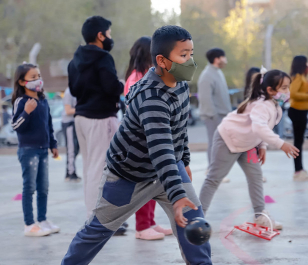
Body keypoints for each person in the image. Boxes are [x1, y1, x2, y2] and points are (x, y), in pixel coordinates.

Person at [61, 25, 212, 265]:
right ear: (162, 61)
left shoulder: (181, 85)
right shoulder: (151, 98)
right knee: (97, 231)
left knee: (194, 223)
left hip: (169, 168)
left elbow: (179, 129)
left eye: (191, 54)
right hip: (129, 177)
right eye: (183, 55)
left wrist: (183, 162)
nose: (190, 61)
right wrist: (177, 189)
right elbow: (160, 148)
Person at [199, 68, 299, 230]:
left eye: (288, 87)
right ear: (270, 90)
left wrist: (263, 146)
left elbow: (265, 128)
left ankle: (260, 216)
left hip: (248, 146)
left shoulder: (275, 107)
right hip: (228, 140)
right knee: (214, 178)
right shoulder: (262, 105)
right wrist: (281, 144)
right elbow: (259, 127)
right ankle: (196, 218)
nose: (287, 91)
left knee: (256, 176)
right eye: (284, 88)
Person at [67, 16, 126, 235]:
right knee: (100, 170)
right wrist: (121, 84)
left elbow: (73, 90)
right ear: (100, 35)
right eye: (108, 33)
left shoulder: (75, 60)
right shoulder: (103, 57)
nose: (110, 37)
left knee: (89, 168)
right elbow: (112, 87)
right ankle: (98, 221)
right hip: (100, 118)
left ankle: (96, 216)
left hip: (81, 118)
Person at [124, 36, 173, 240]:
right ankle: (142, 227)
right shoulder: (136, 77)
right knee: (144, 182)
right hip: (141, 137)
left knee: (154, 181)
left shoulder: (148, 74)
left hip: (152, 135)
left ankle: (150, 222)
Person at [11, 63, 60, 237]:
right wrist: (26, 112)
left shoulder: (43, 100)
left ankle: (42, 219)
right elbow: (16, 126)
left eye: (38, 76)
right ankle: (29, 224)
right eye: (33, 77)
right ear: (22, 82)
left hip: (43, 150)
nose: (38, 80)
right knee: (29, 187)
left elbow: (49, 125)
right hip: (28, 151)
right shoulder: (21, 102)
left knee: (43, 187)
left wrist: (53, 144)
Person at [198, 48, 232, 167]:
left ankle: (218, 172)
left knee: (220, 144)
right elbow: (205, 98)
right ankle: (212, 170)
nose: (225, 60)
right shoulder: (207, 75)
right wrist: (213, 115)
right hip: (213, 116)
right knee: (214, 143)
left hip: (222, 115)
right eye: (224, 57)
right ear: (217, 59)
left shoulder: (217, 72)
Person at [288, 55, 308, 181]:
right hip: (297, 111)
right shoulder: (297, 77)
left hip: (302, 111)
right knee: (298, 142)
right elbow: (292, 93)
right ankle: (298, 171)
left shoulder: (303, 77)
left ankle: (300, 169)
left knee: (300, 142)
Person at [62, 87, 81, 182]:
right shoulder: (69, 92)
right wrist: (83, 107)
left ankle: (69, 170)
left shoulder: (81, 90)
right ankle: (70, 173)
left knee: (76, 148)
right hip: (69, 123)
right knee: (71, 149)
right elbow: (68, 110)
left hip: (76, 123)